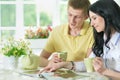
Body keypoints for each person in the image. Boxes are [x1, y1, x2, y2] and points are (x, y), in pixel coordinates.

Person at [40, 0, 120, 79]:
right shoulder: (103, 38)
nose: (91, 24)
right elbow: (89, 64)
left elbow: (103, 71)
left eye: (94, 18)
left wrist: (104, 71)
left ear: (107, 16)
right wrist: (63, 64)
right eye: (91, 19)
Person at [39, 0, 94, 67]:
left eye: (77, 17)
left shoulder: (93, 31)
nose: (72, 20)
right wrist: (50, 62)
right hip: (60, 75)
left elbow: (90, 64)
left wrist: (65, 64)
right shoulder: (57, 31)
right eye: (70, 15)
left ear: (86, 17)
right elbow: (41, 59)